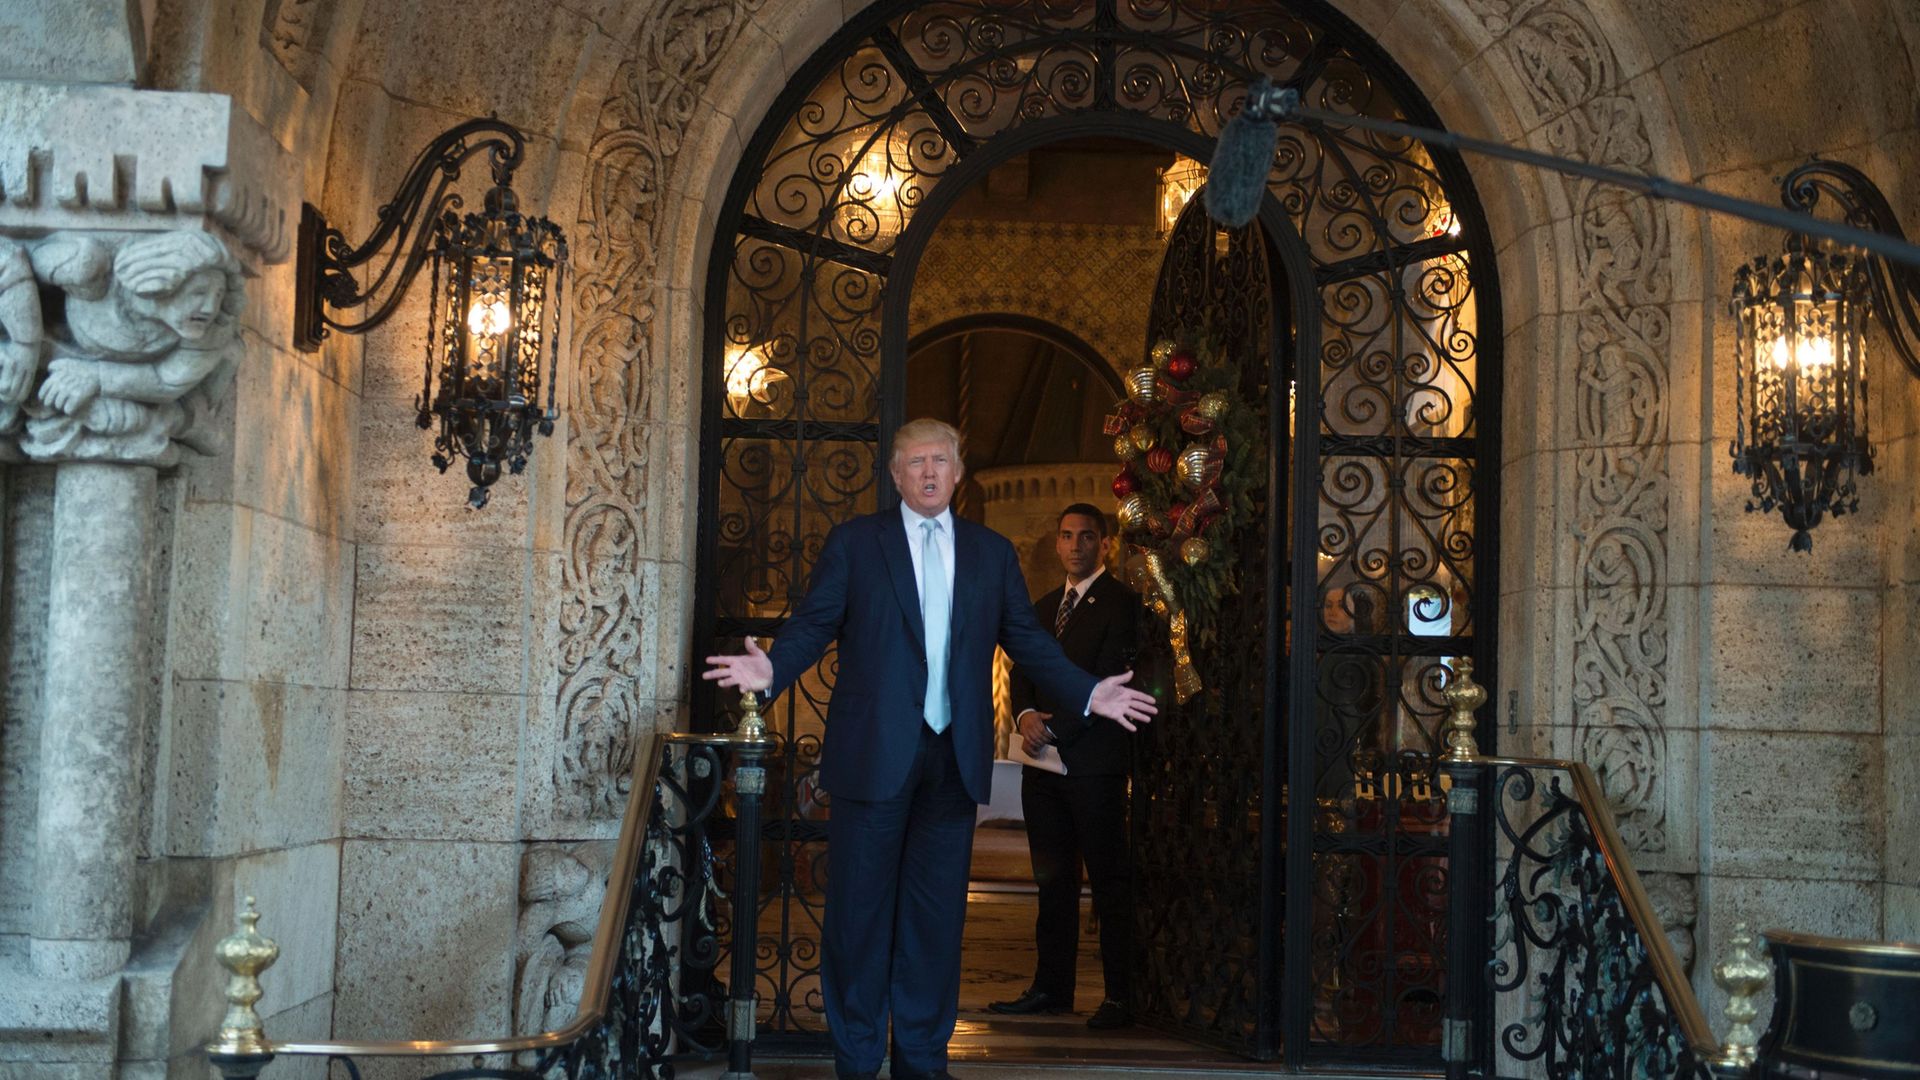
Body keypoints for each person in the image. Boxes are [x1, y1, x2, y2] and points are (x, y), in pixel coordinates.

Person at [703, 418, 1157, 1080]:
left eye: (941, 460)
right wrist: (771, 671)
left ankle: (921, 1060)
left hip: (952, 761)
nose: (928, 471)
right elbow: (814, 623)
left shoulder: (990, 552)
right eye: (915, 461)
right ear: (895, 476)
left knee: (934, 925)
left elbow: (1028, 641)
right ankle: (857, 1061)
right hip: (872, 758)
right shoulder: (858, 543)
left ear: (958, 471)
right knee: (858, 923)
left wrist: (1089, 694)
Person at [989, 503, 1140, 1029]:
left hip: (1093, 766)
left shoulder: (1122, 604)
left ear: (1105, 545)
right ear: (1056, 544)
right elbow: (1022, 666)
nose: (1075, 546)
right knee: (1051, 882)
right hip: (1042, 768)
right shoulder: (1044, 605)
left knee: (1107, 881)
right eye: (1067, 536)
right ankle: (1051, 987)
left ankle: (1121, 997)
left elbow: (1111, 679)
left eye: (1086, 537)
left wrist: (1055, 728)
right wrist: (1026, 714)